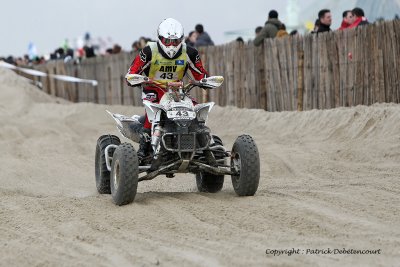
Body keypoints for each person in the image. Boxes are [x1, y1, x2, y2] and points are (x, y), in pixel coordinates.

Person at [126, 18, 209, 161]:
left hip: (178, 92)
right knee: (152, 113)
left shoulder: (189, 52)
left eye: (176, 41)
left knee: (196, 112)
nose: (172, 45)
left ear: (181, 39)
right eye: (167, 41)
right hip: (153, 88)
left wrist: (206, 81)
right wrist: (135, 79)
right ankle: (142, 152)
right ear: (160, 38)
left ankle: (206, 149)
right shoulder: (149, 51)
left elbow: (200, 73)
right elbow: (131, 73)